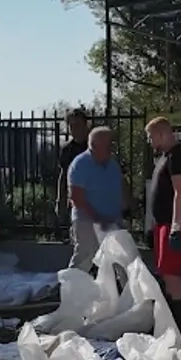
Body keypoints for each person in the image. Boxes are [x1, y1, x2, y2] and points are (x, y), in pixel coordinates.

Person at [145, 116, 181, 343]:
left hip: (176, 223)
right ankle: (177, 328)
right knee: (167, 275)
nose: (149, 141)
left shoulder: (178, 157)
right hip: (164, 223)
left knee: (172, 275)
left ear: (160, 133)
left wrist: (176, 227)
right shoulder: (165, 157)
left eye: (150, 136)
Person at [66, 126, 128, 272]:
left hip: (112, 220)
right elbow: (76, 197)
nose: (112, 147)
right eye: (108, 144)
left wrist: (125, 208)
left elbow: (120, 186)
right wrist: (98, 219)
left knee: (122, 258)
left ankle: (128, 293)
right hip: (87, 220)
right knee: (85, 256)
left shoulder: (113, 164)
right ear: (94, 145)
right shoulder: (80, 164)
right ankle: (72, 290)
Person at [55, 108, 90, 225]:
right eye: (71, 126)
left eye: (78, 125)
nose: (75, 129)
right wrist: (60, 200)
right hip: (76, 201)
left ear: (85, 125)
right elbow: (63, 175)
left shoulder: (94, 145)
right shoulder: (67, 149)